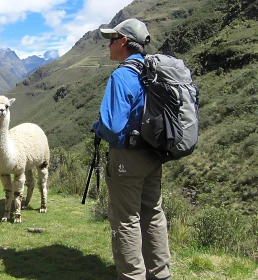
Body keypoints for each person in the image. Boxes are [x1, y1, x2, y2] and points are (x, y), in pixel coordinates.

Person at [92, 19, 172, 280]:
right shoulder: (154, 72)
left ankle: (132, 276)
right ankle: (160, 274)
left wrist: (98, 126)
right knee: (153, 214)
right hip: (154, 155)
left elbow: (113, 127)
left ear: (124, 41)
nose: (109, 45)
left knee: (126, 220)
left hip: (127, 157)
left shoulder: (122, 75)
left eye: (112, 40)